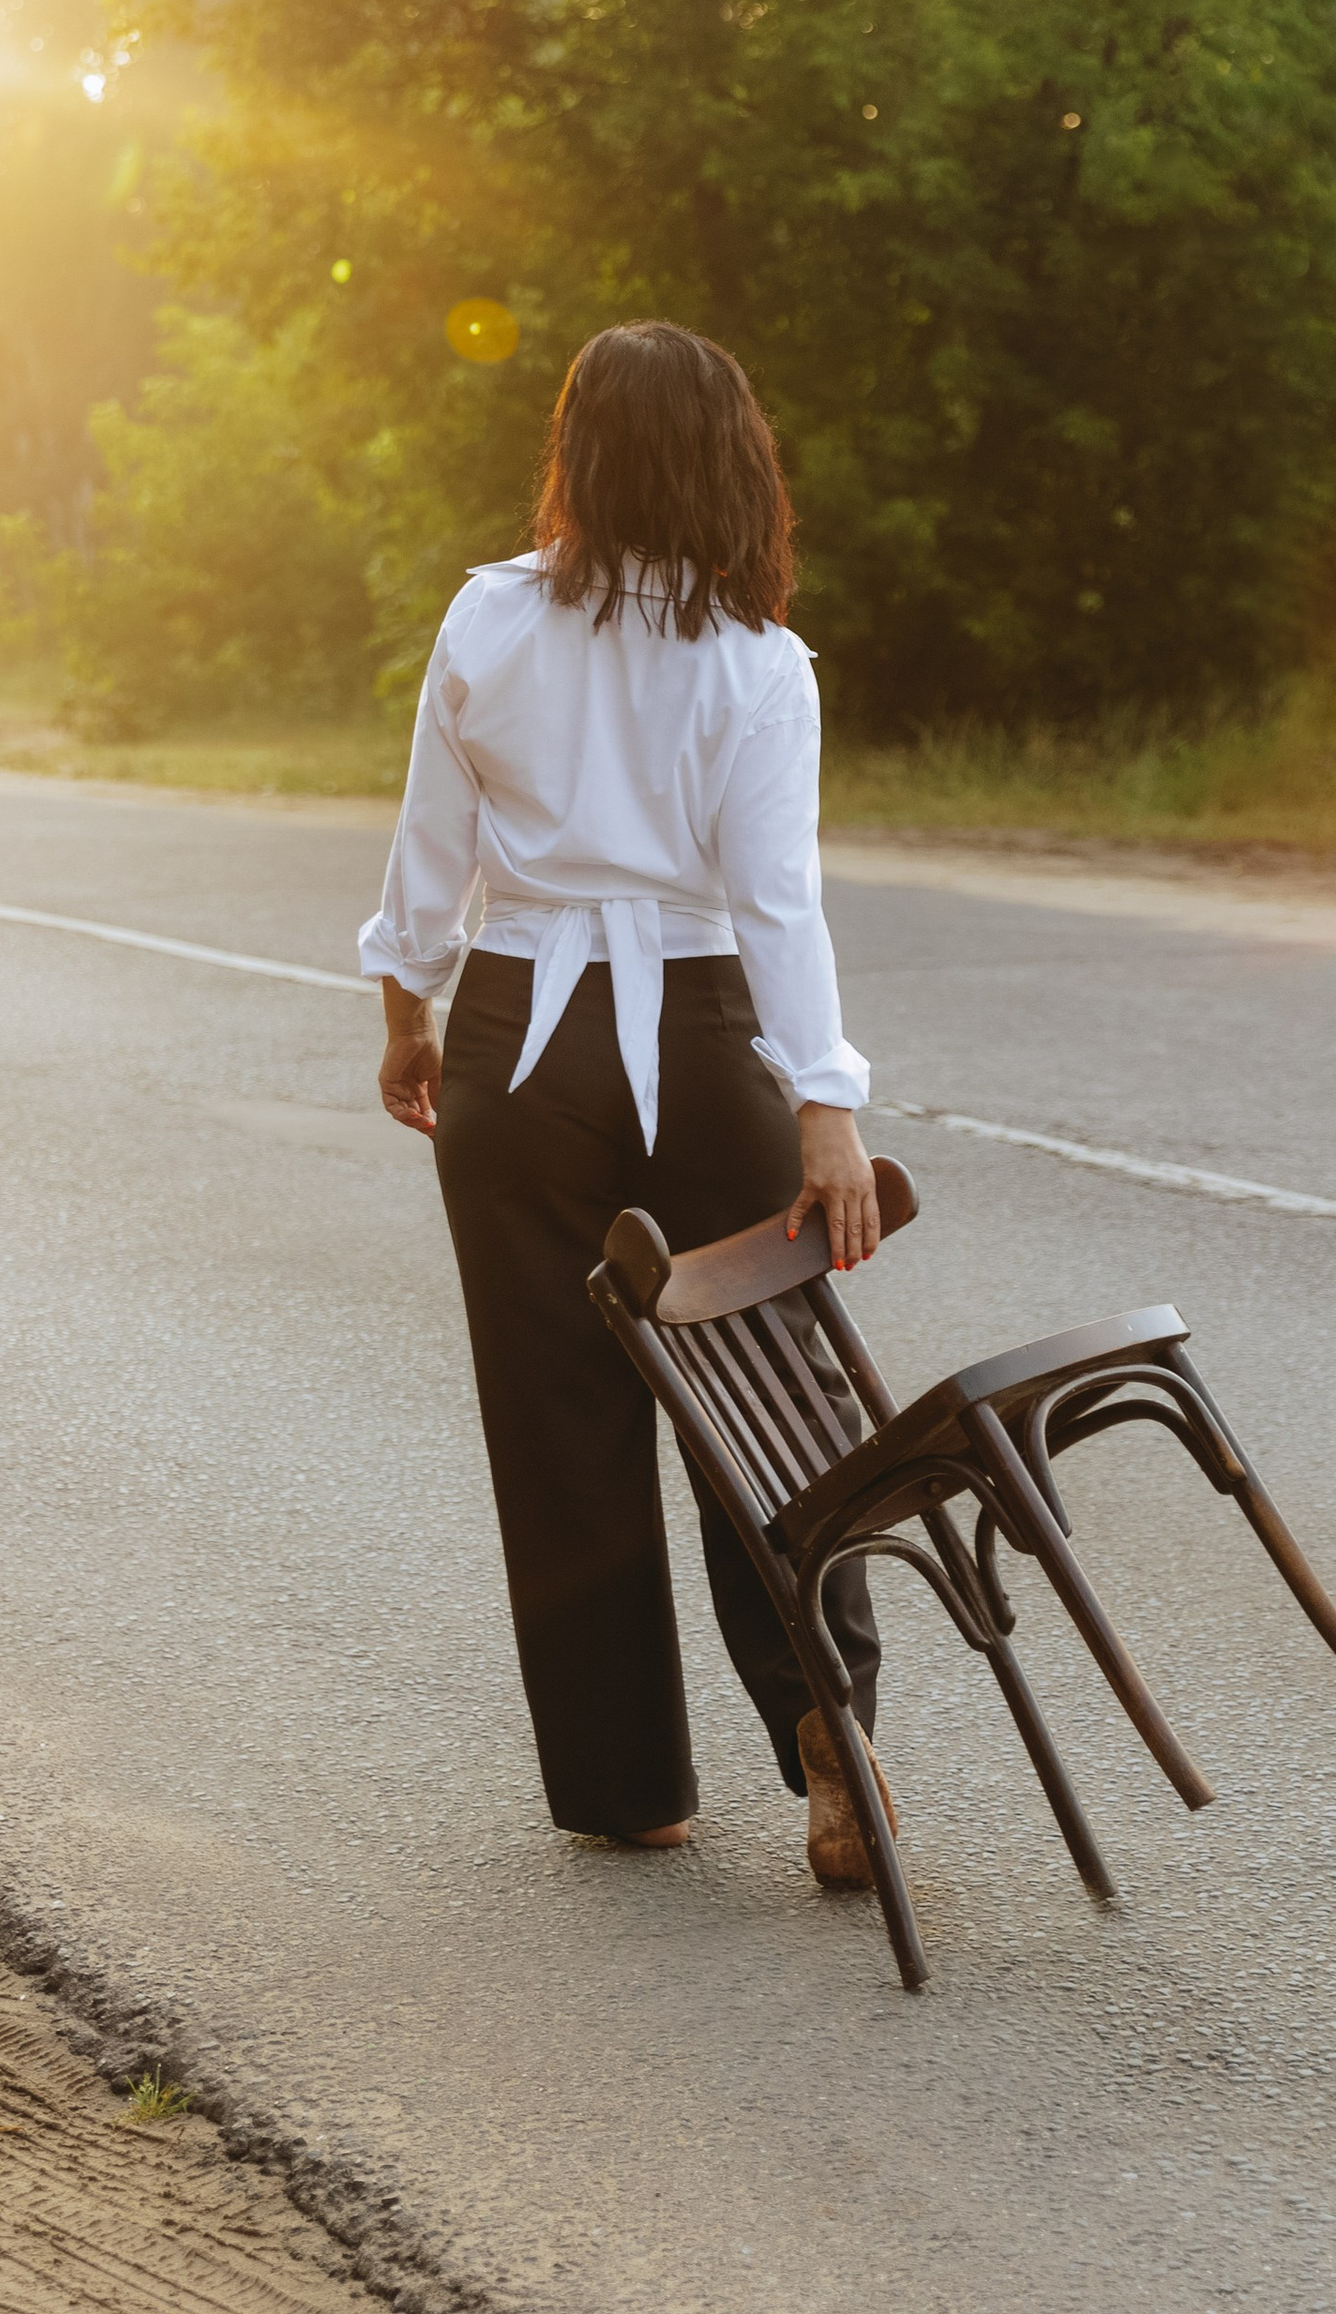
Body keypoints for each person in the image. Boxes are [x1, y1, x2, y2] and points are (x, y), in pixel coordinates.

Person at [361, 317, 893, 1879]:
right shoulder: (757, 661)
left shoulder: (490, 616)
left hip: (520, 1044)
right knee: (777, 1414)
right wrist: (825, 1104)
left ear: (578, 454)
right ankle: (834, 1738)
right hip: (710, 1033)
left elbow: (428, 848)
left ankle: (626, 1786)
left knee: (561, 1424)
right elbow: (778, 897)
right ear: (733, 460)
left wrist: (410, 1014)